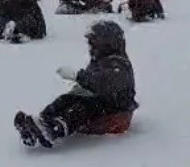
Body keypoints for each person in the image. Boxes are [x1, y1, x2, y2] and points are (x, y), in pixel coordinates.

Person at [13, 20, 138, 148]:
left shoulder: (119, 64)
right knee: (67, 99)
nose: (90, 46)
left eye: (93, 42)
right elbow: (92, 84)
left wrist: (78, 76)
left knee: (84, 106)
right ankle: (41, 122)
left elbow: (101, 83)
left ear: (107, 43)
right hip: (103, 101)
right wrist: (77, 90)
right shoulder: (100, 61)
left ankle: (55, 129)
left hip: (116, 111)